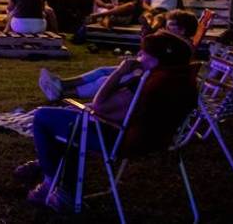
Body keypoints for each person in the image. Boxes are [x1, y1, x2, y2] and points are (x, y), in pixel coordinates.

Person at [17, 30, 198, 211]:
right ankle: (52, 173)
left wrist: (120, 73)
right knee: (68, 117)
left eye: (144, 53)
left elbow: (100, 105)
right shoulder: (179, 78)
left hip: (119, 141)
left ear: (156, 60)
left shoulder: (150, 85)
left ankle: (53, 185)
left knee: (43, 117)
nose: (139, 56)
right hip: (154, 140)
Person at [39, 9, 198, 102]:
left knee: (104, 79)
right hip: (142, 70)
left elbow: (160, 63)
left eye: (170, 26)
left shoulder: (180, 47)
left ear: (182, 30)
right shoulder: (175, 43)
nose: (165, 29)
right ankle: (62, 83)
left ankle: (63, 93)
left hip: (144, 78)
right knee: (102, 70)